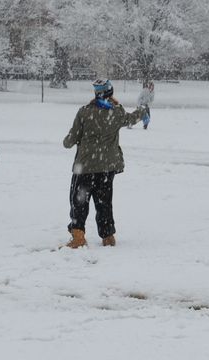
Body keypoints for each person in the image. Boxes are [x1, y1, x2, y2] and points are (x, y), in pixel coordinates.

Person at [62, 79, 147, 248]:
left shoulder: (85, 112)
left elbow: (70, 141)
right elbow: (131, 119)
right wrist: (142, 111)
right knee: (104, 202)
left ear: (96, 93)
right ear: (110, 92)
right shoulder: (116, 112)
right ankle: (108, 237)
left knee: (79, 202)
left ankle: (78, 236)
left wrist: (67, 141)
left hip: (85, 167)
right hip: (107, 168)